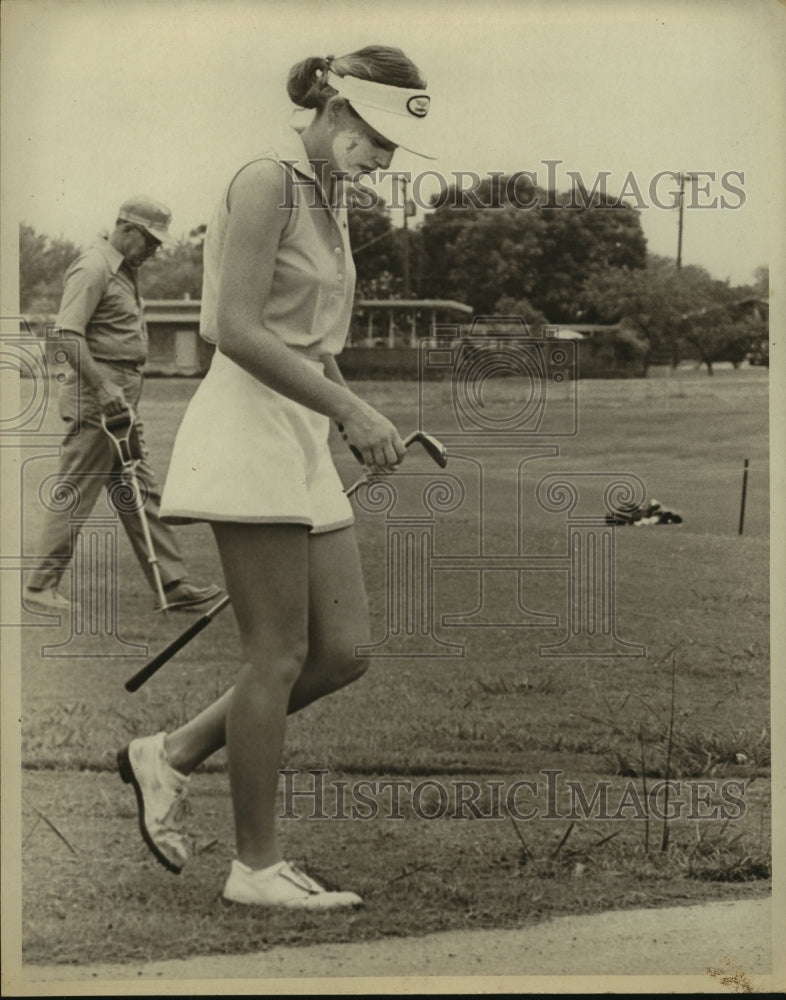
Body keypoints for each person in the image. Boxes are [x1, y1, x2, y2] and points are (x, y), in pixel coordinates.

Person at [117, 46, 434, 909]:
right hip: (249, 425)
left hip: (299, 429)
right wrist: (352, 413)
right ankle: (254, 869)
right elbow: (236, 330)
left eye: (395, 149)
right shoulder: (267, 179)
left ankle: (171, 753)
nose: (384, 161)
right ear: (336, 112)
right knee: (278, 652)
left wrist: (341, 408)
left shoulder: (329, 194)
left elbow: (312, 342)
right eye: (375, 138)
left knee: (342, 653)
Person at [22, 197, 222, 615]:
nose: (155, 250)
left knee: (138, 489)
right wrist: (104, 387)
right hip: (99, 399)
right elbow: (68, 336)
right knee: (77, 489)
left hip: (121, 398)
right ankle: (39, 586)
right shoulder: (93, 267)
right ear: (126, 229)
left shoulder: (126, 272)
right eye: (150, 240)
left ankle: (171, 585)